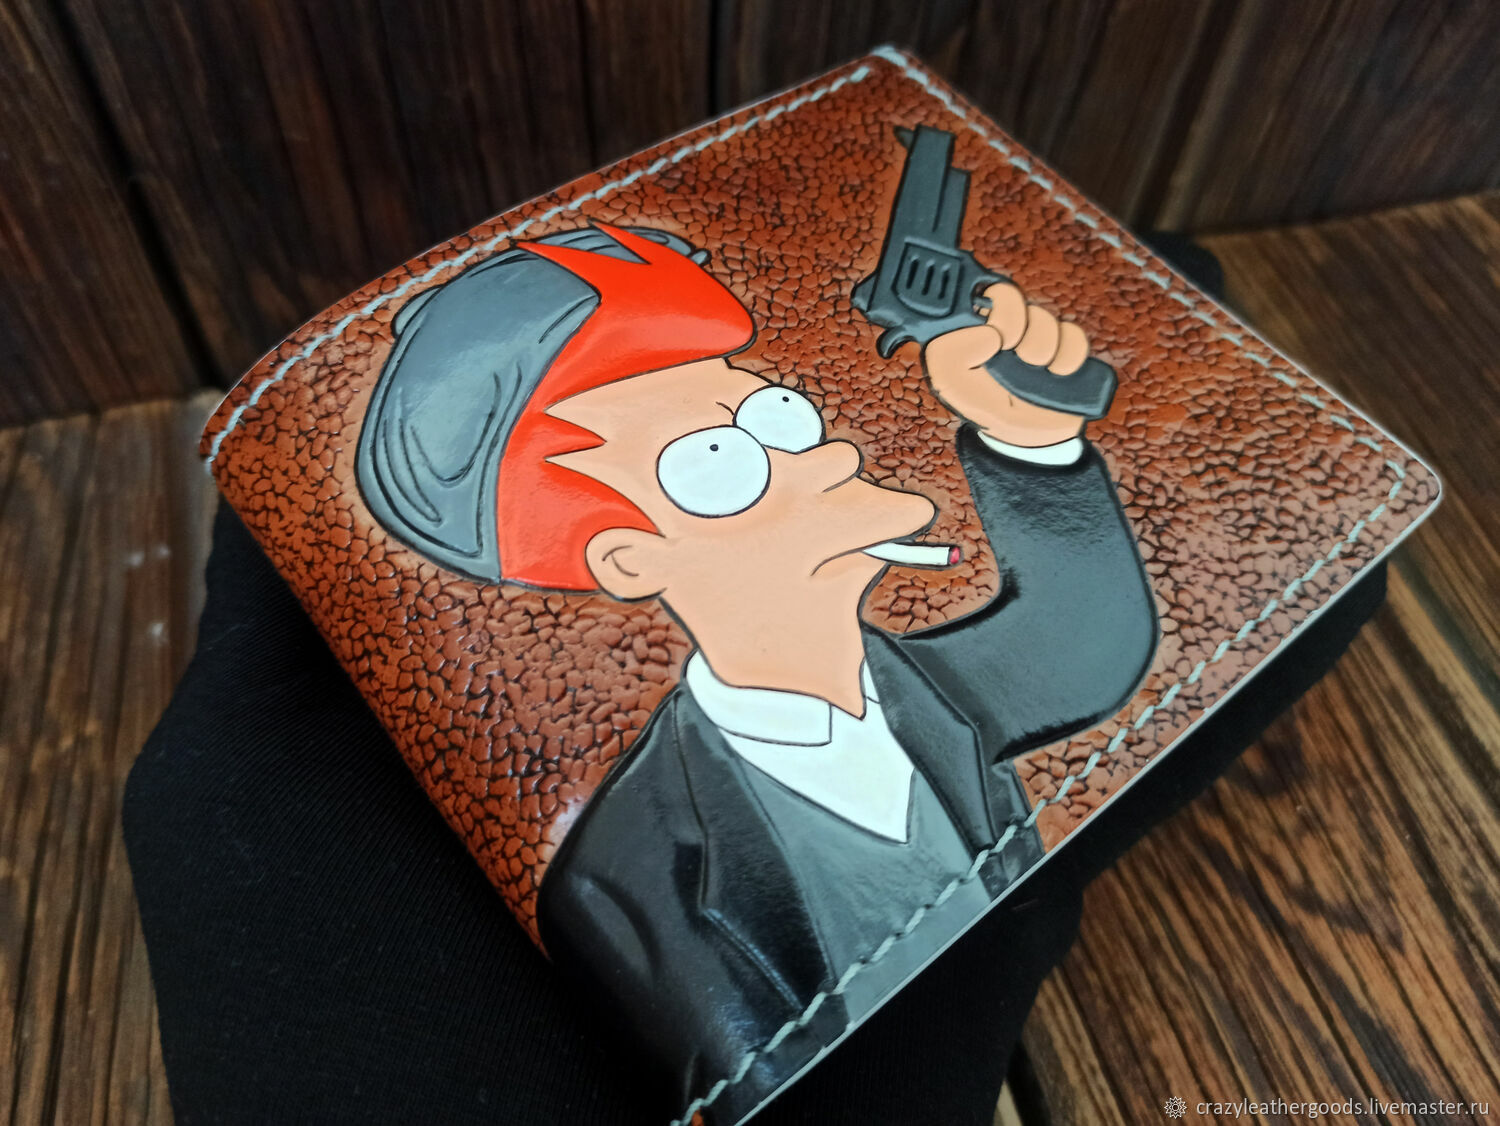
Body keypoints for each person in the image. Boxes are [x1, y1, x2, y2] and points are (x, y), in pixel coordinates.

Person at [353, 222, 1158, 1119]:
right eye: (718, 459)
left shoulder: (930, 693)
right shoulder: (622, 874)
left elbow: (1077, 649)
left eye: (779, 416)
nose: (828, 455)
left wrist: (1032, 444)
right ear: (628, 558)